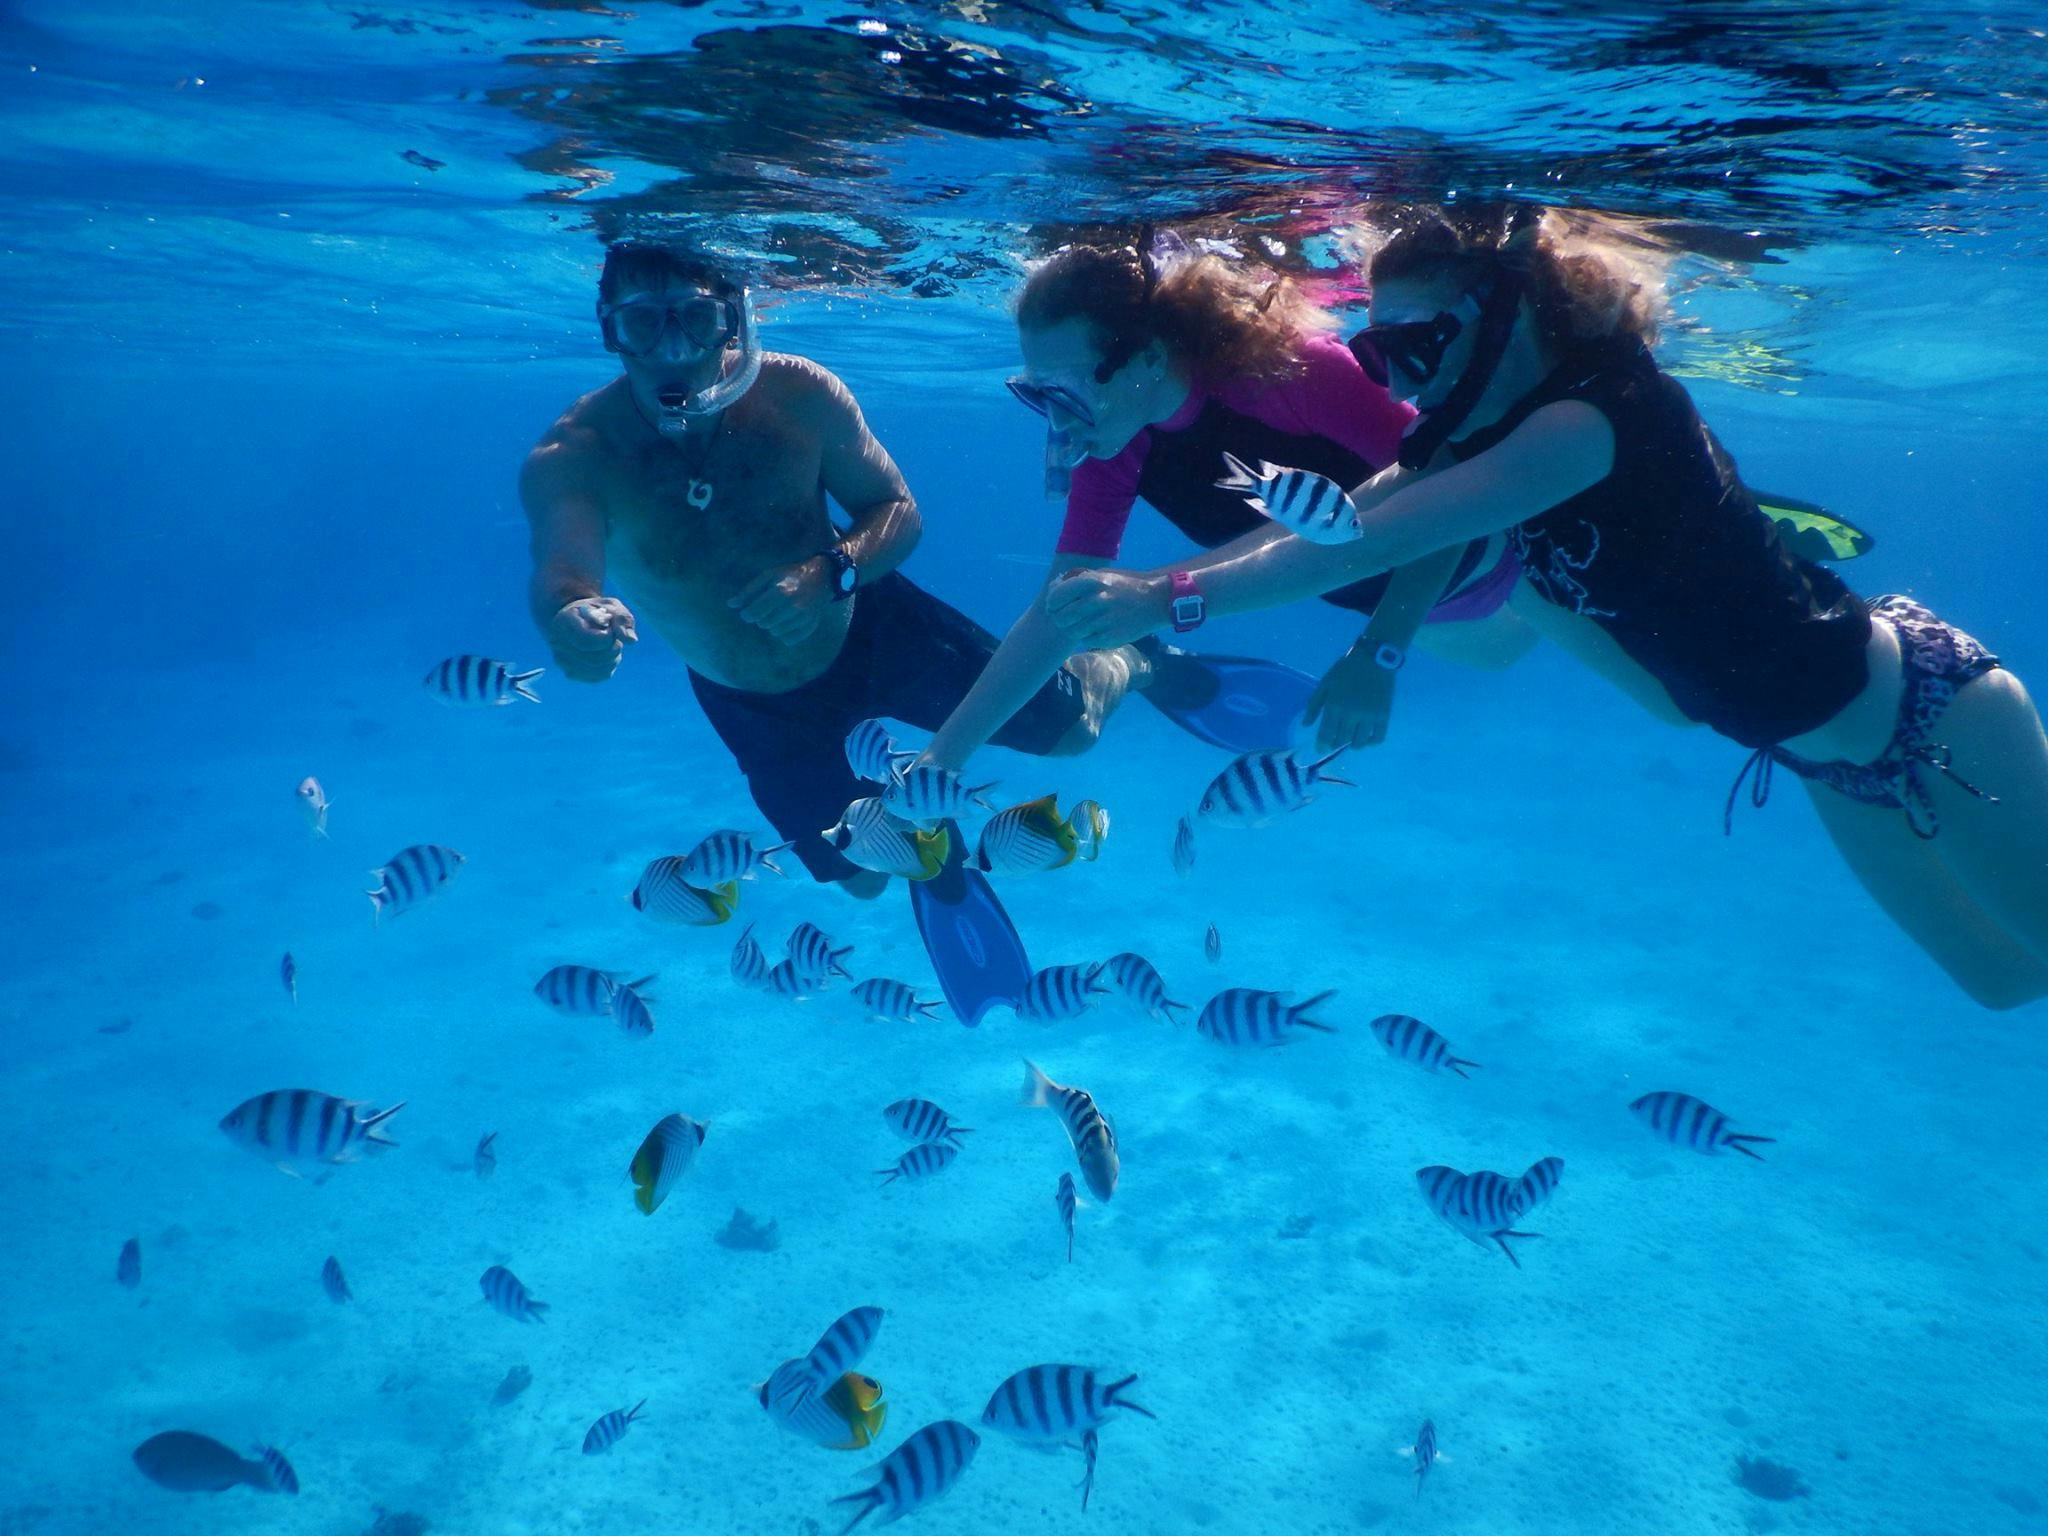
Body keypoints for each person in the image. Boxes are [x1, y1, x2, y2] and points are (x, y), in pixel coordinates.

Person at [1036, 202, 2048, 1010]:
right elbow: (1340, 523)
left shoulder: (1580, 422)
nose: (1405, 385)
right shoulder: (1473, 435)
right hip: (1822, 757)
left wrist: (1159, 601)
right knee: (2001, 983)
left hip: (1923, 717)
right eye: (1382, 357)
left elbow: (1384, 538)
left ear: (1508, 316)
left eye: (1422, 348)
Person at [520, 241, 1131, 902]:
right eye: (643, 322)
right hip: (750, 698)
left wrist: (828, 575)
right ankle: (915, 825)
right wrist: (573, 620)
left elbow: (898, 512)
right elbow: (566, 571)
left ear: (733, 318)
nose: (673, 349)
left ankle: (1131, 657)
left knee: (1075, 732)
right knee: (864, 878)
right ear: (608, 327)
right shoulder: (576, 454)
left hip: (873, 627)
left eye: (694, 319)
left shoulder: (799, 393)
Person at [919, 233, 1536, 770]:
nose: (1059, 421)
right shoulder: (1112, 443)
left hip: (1506, 567)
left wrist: (1380, 651)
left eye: (1069, 389)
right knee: (1502, 653)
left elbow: (1450, 490)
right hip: (1412, 608)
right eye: (1038, 393)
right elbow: (1058, 611)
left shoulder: (1292, 373)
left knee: (1524, 636)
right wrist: (938, 761)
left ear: (1150, 357)